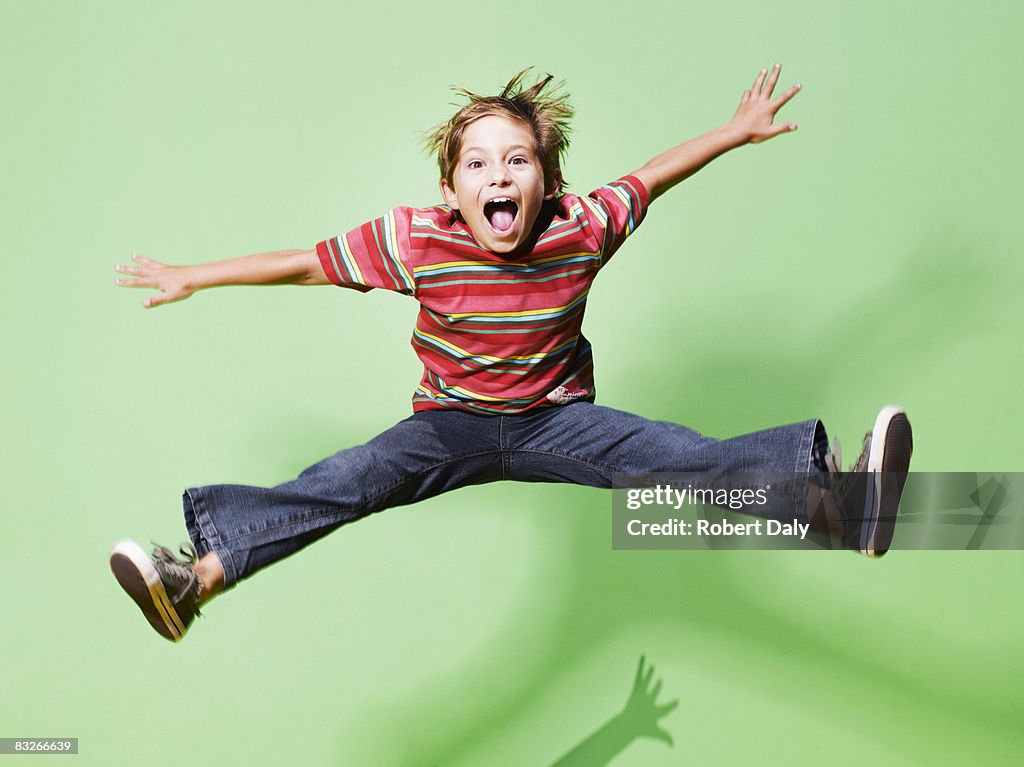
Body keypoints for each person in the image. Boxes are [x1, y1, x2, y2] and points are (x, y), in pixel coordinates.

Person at [109, 66, 913, 642]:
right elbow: (306, 263)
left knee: (675, 457)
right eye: (479, 164)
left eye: (517, 161)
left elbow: (653, 176)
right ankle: (197, 580)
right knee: (346, 479)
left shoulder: (581, 227)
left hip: (556, 421)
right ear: (453, 190)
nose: (499, 175)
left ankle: (838, 504)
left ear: (547, 179)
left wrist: (735, 133)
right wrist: (195, 276)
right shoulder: (416, 239)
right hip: (448, 425)